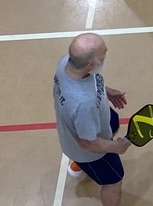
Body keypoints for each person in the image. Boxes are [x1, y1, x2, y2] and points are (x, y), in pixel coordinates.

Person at [53, 32, 133, 205]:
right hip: (89, 152)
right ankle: (81, 163)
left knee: (113, 122)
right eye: (103, 53)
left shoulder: (66, 63)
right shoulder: (83, 104)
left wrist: (106, 91)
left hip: (94, 120)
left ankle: (81, 165)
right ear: (90, 64)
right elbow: (87, 143)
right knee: (113, 182)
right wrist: (116, 146)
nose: (107, 52)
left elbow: (91, 80)